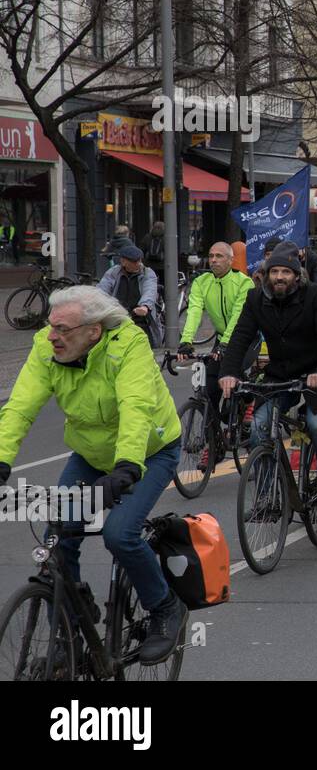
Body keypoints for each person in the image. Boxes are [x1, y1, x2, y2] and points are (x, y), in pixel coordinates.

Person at [0, 285, 186, 666]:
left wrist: (126, 469)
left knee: (120, 533)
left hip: (148, 452)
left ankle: (165, 608)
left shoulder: (128, 346)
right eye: (51, 326)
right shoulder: (46, 348)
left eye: (63, 329)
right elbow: (19, 408)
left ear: (93, 332)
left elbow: (136, 407)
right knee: (60, 537)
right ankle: (64, 640)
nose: (52, 336)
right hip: (90, 452)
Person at [219, 243, 317, 511]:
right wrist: (229, 373)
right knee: (258, 427)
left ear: (297, 276)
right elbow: (241, 337)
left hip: (315, 373)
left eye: (285, 272)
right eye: (274, 271)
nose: (279, 277)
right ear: (266, 274)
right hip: (281, 374)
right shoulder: (256, 299)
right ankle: (266, 496)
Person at [179, 242, 256, 423]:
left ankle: (249, 398)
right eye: (211, 256)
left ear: (231, 260)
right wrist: (186, 341)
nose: (213, 260)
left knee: (233, 373)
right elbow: (195, 311)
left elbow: (239, 316)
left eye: (219, 256)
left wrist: (225, 345)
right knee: (210, 389)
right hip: (222, 338)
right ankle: (211, 442)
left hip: (246, 339)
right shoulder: (201, 282)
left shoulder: (244, 283)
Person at [97, 244, 162, 347]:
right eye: (135, 261)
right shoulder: (113, 272)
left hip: (139, 318)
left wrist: (145, 306)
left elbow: (150, 290)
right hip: (118, 317)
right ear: (123, 262)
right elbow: (102, 290)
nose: (139, 264)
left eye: (140, 260)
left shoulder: (147, 273)